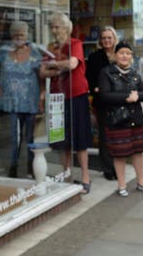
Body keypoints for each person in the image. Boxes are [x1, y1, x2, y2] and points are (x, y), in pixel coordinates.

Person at [40, 13, 92, 193]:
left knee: (81, 138)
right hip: (57, 97)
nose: (54, 31)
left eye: (57, 27)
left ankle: (85, 177)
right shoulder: (50, 47)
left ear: (66, 28)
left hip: (77, 95)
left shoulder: (74, 44)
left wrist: (54, 65)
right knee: (62, 139)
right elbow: (42, 72)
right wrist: (57, 68)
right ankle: (66, 175)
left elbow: (72, 64)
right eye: (52, 27)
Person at [0, 21, 42, 178]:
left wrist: (42, 95)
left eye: (21, 34)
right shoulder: (3, 51)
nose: (18, 37)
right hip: (9, 103)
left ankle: (31, 169)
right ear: (11, 35)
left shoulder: (34, 52)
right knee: (12, 139)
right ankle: (13, 169)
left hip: (30, 101)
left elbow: (42, 74)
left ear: (27, 35)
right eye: (15, 34)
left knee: (30, 137)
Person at [98, 41, 143, 197]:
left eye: (128, 53)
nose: (125, 56)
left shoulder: (134, 73)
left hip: (135, 119)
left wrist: (138, 96)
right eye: (121, 53)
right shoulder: (106, 72)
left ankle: (141, 182)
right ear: (115, 55)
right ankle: (122, 185)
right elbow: (104, 95)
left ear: (131, 57)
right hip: (117, 120)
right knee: (119, 154)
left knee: (138, 152)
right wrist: (126, 97)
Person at [85, 26, 119, 181]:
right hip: (102, 101)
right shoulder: (94, 57)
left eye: (109, 37)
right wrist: (95, 89)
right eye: (104, 38)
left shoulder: (121, 53)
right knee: (105, 136)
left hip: (120, 100)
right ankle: (107, 168)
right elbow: (89, 78)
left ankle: (119, 166)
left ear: (114, 39)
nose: (106, 40)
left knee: (119, 135)